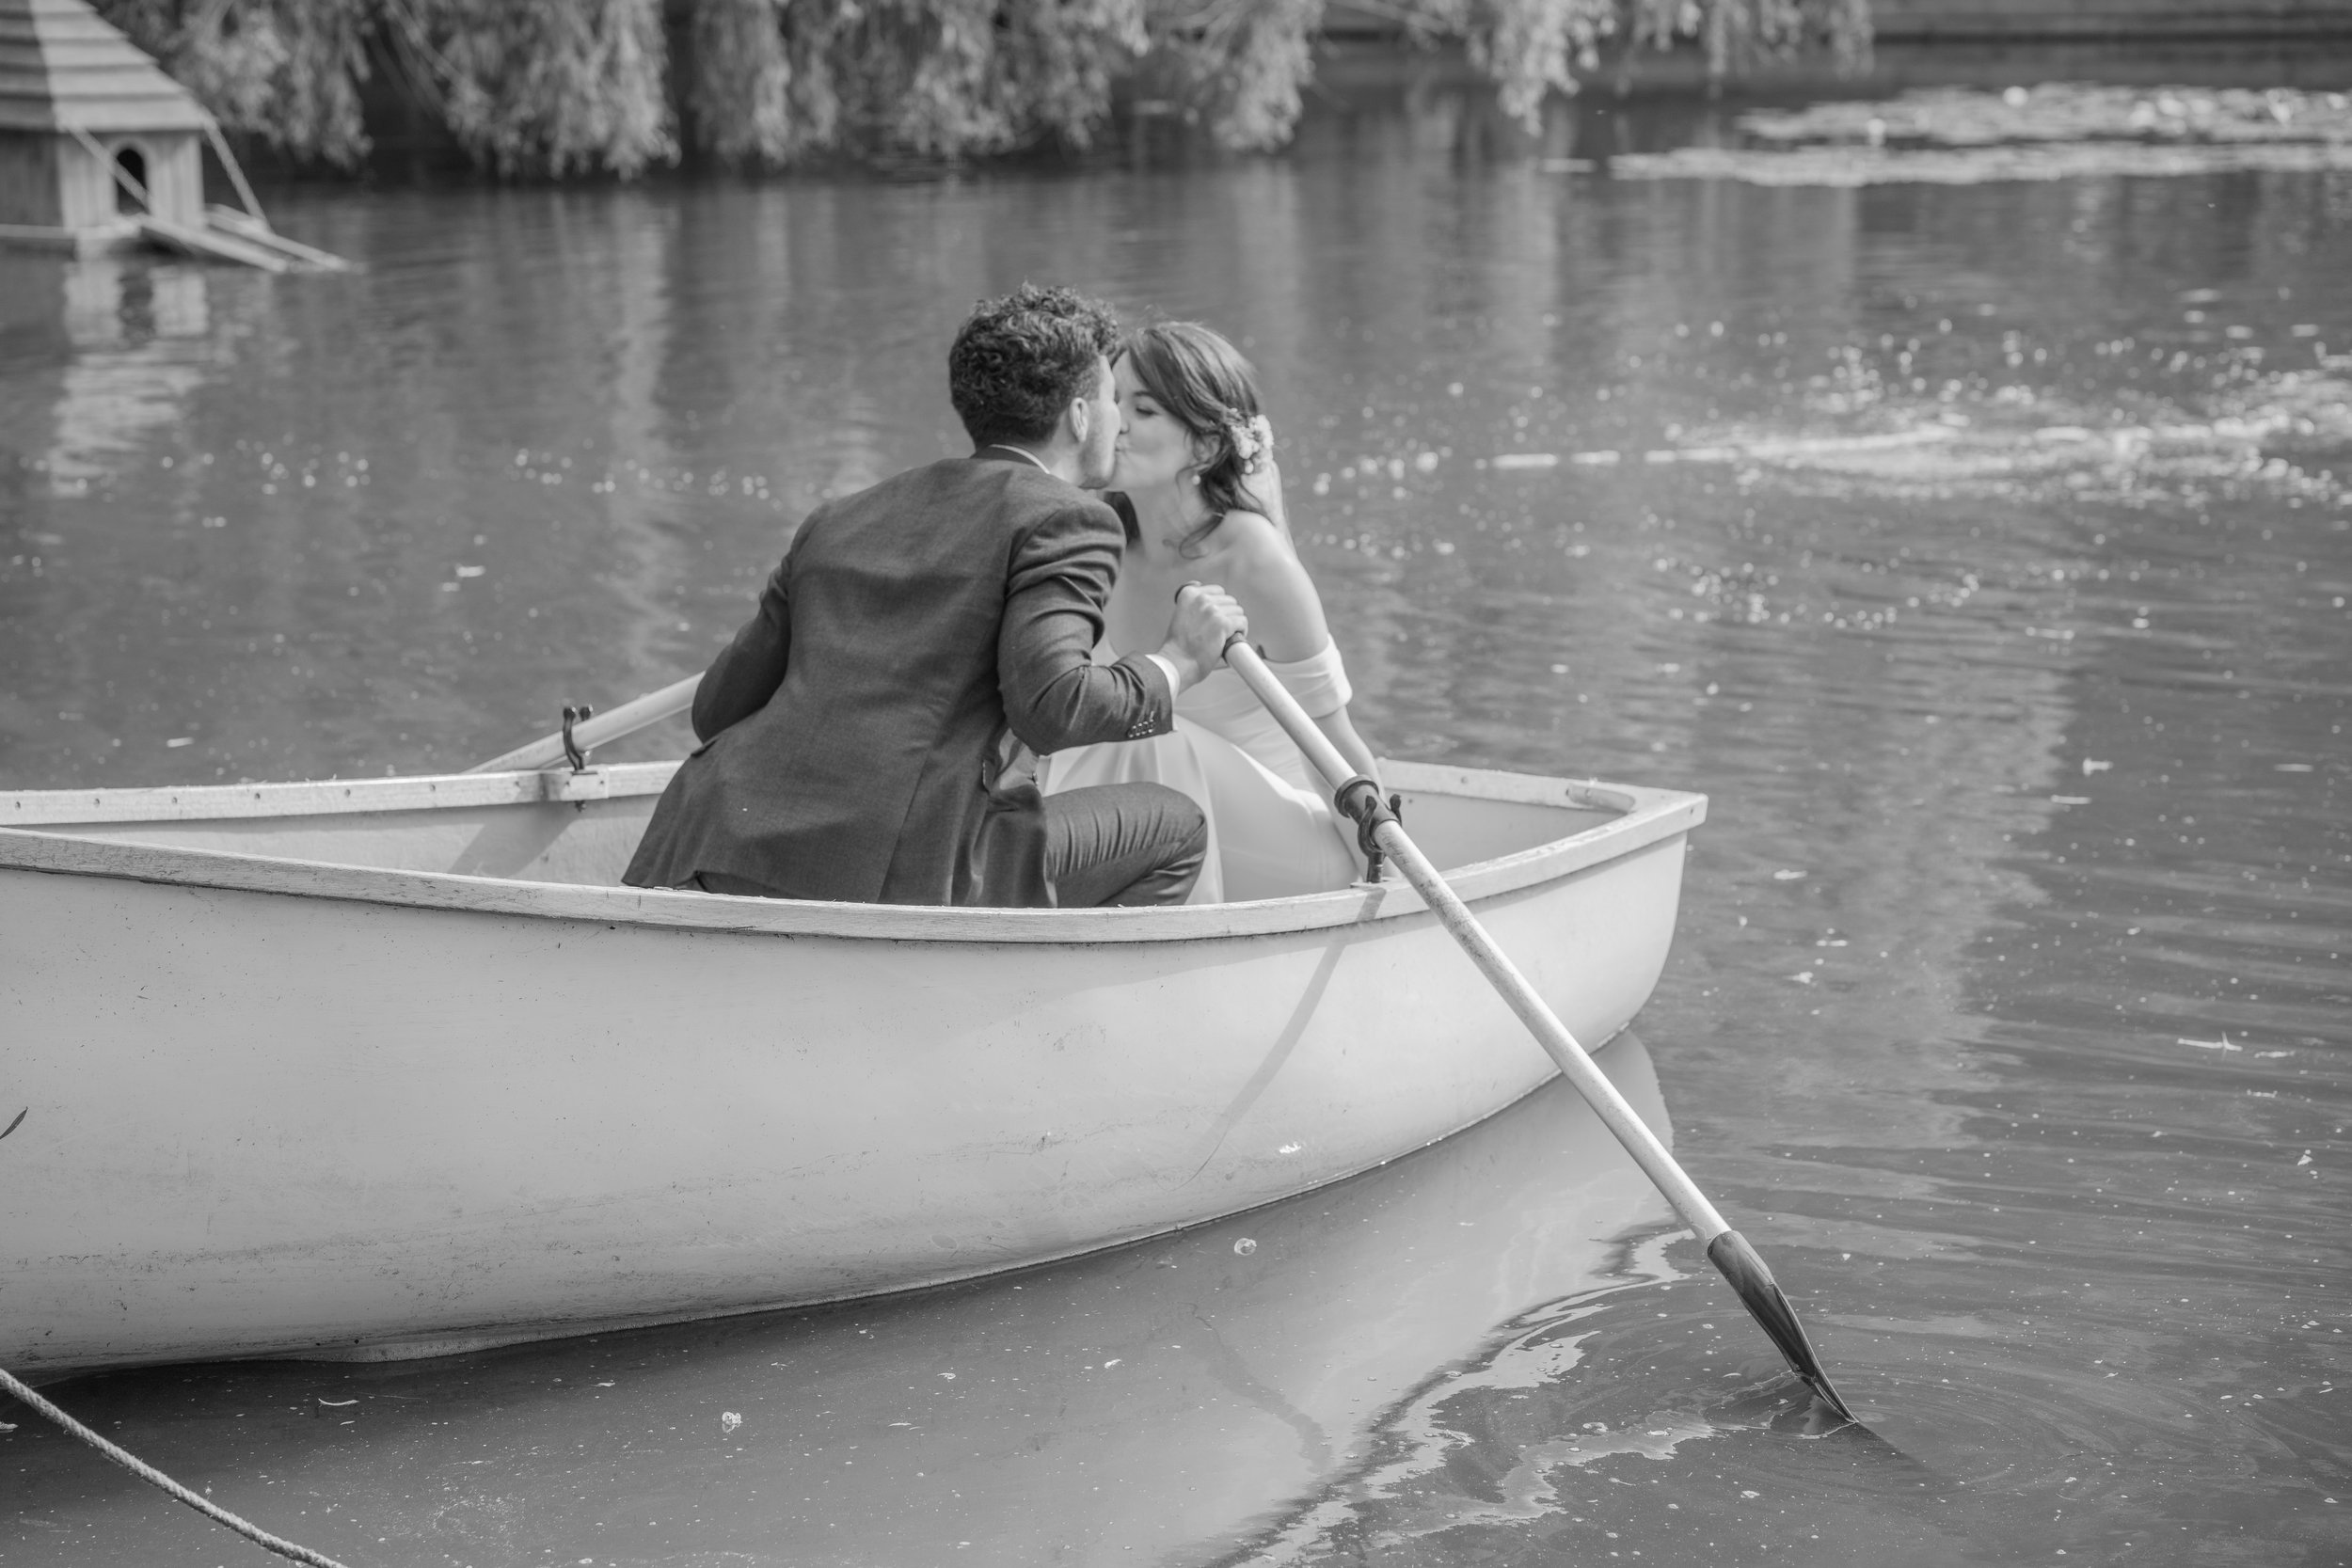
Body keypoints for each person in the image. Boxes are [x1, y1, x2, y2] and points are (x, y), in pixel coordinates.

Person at [623, 284, 1248, 909]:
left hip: (706, 840)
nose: (1119, 425)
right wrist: (1178, 663)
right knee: (1176, 827)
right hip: (894, 869)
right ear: (1081, 415)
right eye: (1115, 399)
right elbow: (1052, 706)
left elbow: (716, 709)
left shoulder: (840, 516)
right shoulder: (1068, 519)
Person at [1041, 321, 1380, 903]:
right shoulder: (1097, 547)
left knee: (1146, 729)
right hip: (1158, 838)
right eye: (1113, 401)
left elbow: (1335, 745)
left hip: (1292, 847)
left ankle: (1175, 952)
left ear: (1204, 443)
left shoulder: (1252, 559)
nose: (1115, 422)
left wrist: (1388, 876)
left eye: (1143, 409)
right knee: (1091, 714)